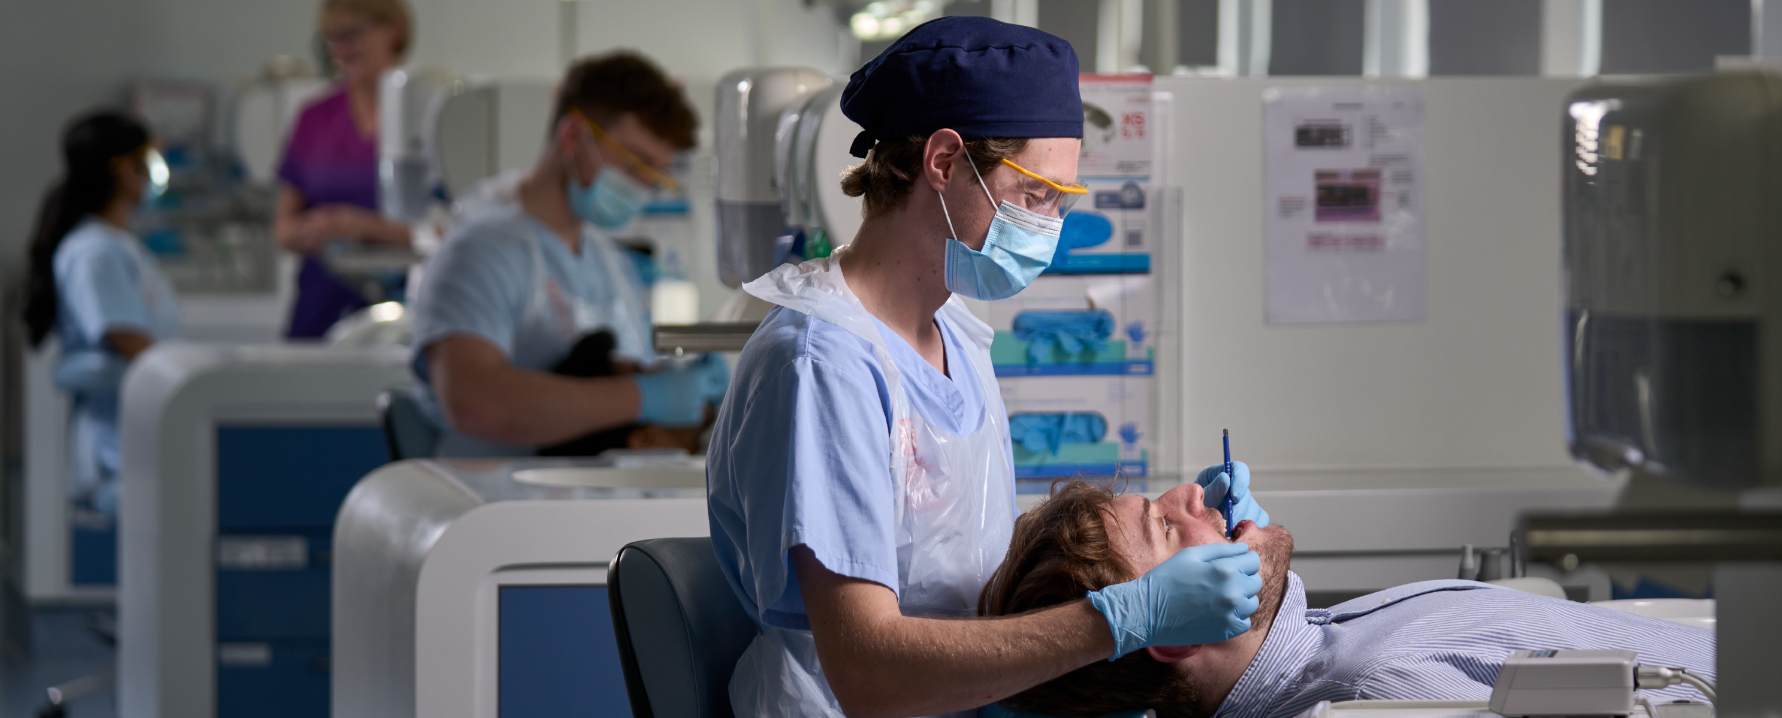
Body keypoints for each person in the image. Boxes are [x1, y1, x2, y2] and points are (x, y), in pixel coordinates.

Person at [705, 17, 1271, 718]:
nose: (1050, 230)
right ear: (943, 161)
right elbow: (866, 674)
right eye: (1036, 196)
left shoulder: (956, 339)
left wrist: (1172, 524)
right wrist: (1126, 617)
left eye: (1063, 202)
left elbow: (960, 559)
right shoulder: (823, 363)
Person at [980, 477, 1718, 718]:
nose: (1195, 492)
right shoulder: (1377, 696)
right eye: (1169, 528)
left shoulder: (1326, 649)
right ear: (1173, 628)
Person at [409, 50, 726, 457]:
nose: (642, 190)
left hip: (581, 498)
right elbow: (473, 401)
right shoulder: (479, 252)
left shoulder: (607, 260)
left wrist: (688, 389)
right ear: (574, 136)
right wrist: (643, 397)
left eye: (654, 175)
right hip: (492, 502)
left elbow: (625, 369)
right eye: (634, 165)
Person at [21, 111, 178, 518]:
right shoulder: (95, 250)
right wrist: (186, 380)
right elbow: (121, 335)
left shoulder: (116, 244)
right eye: (147, 163)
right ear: (125, 169)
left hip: (132, 431)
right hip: (117, 442)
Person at [272, 0, 417, 339]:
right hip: (321, 307)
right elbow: (282, 228)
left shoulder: (426, 112)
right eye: (331, 41)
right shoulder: (315, 118)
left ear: (392, 29)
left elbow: (446, 230)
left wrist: (363, 228)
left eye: (351, 36)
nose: (340, 51)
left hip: (403, 308)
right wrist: (312, 230)